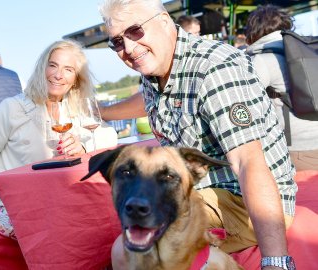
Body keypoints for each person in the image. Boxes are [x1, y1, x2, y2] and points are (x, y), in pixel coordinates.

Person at [98, 0, 297, 269]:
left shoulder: (214, 70)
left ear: (165, 21)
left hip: (243, 201)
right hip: (198, 192)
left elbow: (248, 162)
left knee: (127, 250)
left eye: (135, 31)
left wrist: (276, 262)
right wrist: (102, 112)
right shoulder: (155, 66)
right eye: (117, 42)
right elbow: (145, 100)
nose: (129, 48)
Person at [0, 39, 118, 239]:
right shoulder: (13, 108)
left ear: (76, 78)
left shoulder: (74, 106)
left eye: (68, 69)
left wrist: (83, 145)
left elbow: (109, 135)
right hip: (13, 206)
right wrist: (10, 189)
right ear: (42, 68)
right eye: (53, 65)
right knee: (63, 231)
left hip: (56, 199)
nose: (58, 75)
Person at [245, 4, 318, 171]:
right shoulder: (308, 51)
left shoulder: (262, 60)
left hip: (296, 150)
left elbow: (244, 101)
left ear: (253, 32)